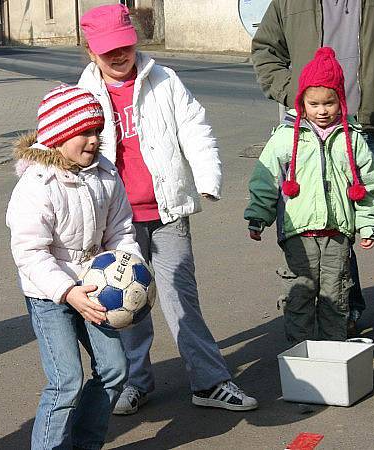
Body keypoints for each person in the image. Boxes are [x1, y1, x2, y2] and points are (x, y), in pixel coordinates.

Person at [77, 4, 258, 415]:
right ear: (91, 51)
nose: (119, 56)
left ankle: (209, 382)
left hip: (167, 210)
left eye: (124, 46)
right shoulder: (82, 92)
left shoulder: (165, 80)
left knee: (181, 298)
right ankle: (133, 383)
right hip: (115, 221)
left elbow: (195, 128)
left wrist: (207, 179)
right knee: (125, 303)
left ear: (134, 41)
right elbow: (65, 147)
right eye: (108, 51)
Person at [251, 0, 374, 342]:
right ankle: (346, 308)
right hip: (315, 133)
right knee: (333, 226)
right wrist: (292, 92)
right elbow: (266, 49)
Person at [6, 85, 142, 449]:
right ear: (58, 136)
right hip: (49, 295)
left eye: (98, 131)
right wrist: (67, 292)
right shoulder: (37, 185)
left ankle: (85, 444)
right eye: (84, 133)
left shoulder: (105, 174)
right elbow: (29, 251)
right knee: (66, 380)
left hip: (97, 288)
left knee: (114, 371)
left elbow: (121, 230)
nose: (94, 141)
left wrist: (128, 268)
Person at [245, 47, 374, 345]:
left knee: (336, 294)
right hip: (298, 232)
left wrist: (368, 223)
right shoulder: (285, 137)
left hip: (337, 233)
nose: (322, 110)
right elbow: (265, 178)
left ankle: (332, 353)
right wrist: (258, 216)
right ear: (302, 103)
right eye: (314, 103)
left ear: (340, 101)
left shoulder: (352, 138)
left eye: (329, 103)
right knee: (301, 290)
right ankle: (301, 353)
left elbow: (369, 183)